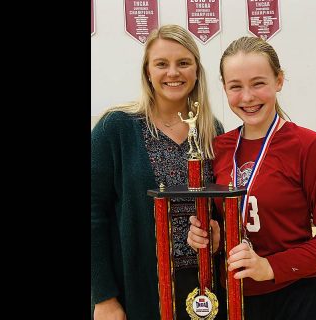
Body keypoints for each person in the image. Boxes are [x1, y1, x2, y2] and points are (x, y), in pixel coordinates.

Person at [187, 36, 316, 320]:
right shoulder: (219, 147)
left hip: (296, 297)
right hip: (233, 296)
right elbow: (226, 219)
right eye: (235, 86)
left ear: (279, 80)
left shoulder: (309, 146)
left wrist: (272, 267)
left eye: (258, 83)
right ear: (225, 89)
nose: (248, 97)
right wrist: (212, 237)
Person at [91, 24, 224, 320]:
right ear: (147, 72)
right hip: (138, 287)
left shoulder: (210, 130)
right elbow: (93, 214)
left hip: (204, 288)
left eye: (183, 63)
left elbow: (218, 206)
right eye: (162, 64)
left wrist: (218, 234)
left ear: (197, 71)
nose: (173, 73)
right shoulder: (116, 127)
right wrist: (103, 297)